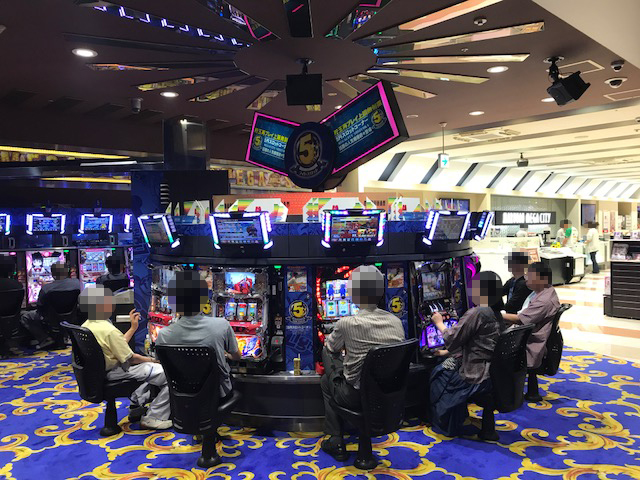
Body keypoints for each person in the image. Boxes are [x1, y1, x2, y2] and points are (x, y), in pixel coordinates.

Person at [320, 265, 405, 460]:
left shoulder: (347, 323)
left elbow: (331, 347)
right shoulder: (396, 322)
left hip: (355, 396)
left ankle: (335, 439)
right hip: (388, 393)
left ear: (353, 293)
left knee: (326, 373)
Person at [80, 285, 172, 430]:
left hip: (101, 371)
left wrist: (133, 328)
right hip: (116, 370)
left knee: (151, 370)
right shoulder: (109, 330)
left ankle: (136, 405)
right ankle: (154, 416)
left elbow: (116, 344)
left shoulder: (88, 324)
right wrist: (154, 360)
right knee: (168, 374)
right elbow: (131, 359)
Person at [429, 271, 504, 437]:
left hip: (475, 373)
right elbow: (477, 342)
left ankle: (447, 425)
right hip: (492, 372)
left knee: (438, 374)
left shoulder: (478, 312)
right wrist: (447, 351)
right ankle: (459, 416)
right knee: (445, 364)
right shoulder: (496, 311)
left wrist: (439, 323)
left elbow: (453, 337)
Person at [156, 270, 241, 400]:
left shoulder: (163, 335)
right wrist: (226, 355)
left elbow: (161, 363)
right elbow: (237, 356)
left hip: (181, 392)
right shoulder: (222, 325)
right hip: (218, 393)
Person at [502, 262, 560, 375]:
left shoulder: (544, 301)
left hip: (529, 343)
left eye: (530, 276)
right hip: (526, 336)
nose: (526, 279)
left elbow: (520, 319)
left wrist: (494, 314)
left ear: (543, 279)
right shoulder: (543, 291)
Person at [21, 262, 82, 350]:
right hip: (72, 316)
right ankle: (68, 336)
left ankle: (45, 339)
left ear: (52, 273)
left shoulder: (47, 288)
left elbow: (39, 306)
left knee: (25, 316)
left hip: (51, 318)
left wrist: (46, 286)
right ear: (67, 272)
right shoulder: (77, 283)